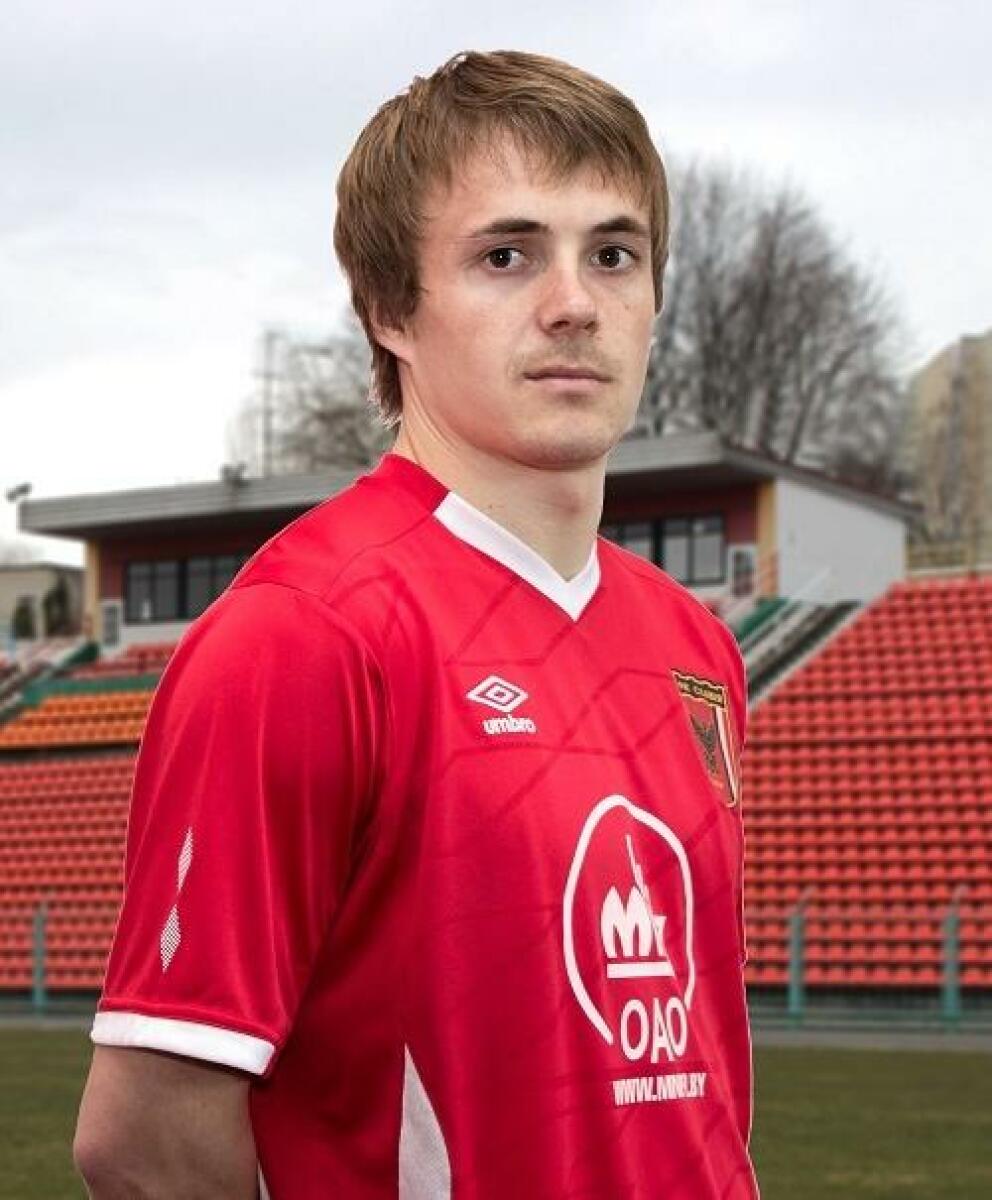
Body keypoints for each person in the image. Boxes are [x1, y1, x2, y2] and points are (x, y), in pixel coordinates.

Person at [74, 49, 758, 1199]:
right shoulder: (305, 634)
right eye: (506, 255)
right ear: (391, 310)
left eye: (612, 254)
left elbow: (693, 1093)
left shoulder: (695, 648)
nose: (573, 303)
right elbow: (142, 1143)